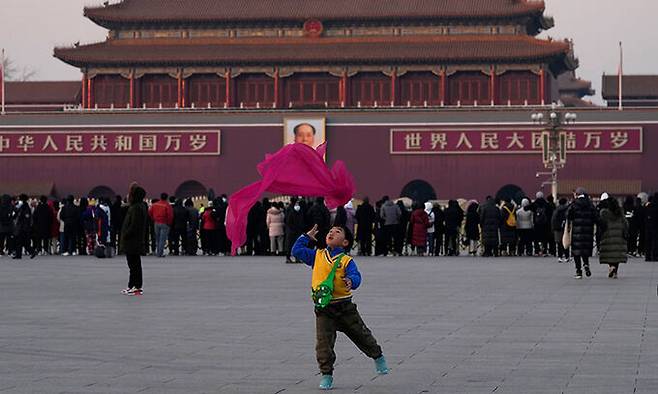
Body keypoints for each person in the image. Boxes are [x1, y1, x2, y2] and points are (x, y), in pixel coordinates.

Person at [292, 224, 388, 390]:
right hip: (324, 309)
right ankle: (326, 374)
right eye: (330, 231)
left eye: (337, 232)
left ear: (345, 242)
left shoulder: (346, 261)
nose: (331, 232)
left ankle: (377, 356)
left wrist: (352, 281)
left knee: (362, 335)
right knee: (323, 344)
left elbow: (356, 276)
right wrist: (306, 237)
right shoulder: (317, 255)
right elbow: (297, 251)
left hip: (345, 308)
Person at [120, 184, 148, 296]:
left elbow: (134, 225)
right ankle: (132, 286)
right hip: (134, 240)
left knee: (134, 265)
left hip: (133, 240)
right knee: (133, 265)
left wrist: (126, 234)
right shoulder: (139, 206)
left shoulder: (136, 207)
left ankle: (136, 287)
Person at [567, 188, 598, 279]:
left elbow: (568, 215)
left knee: (577, 252)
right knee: (585, 250)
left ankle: (578, 271)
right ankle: (586, 264)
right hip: (588, 231)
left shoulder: (574, 204)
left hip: (577, 231)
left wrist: (568, 226)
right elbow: (596, 217)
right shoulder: (590, 204)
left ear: (577, 194)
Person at [598, 197, 628, 278]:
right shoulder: (620, 212)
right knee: (616, 255)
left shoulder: (604, 213)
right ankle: (615, 271)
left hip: (607, 235)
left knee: (609, 254)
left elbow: (600, 224)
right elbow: (625, 224)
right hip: (619, 235)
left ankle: (611, 267)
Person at [148, 193, 173, 257]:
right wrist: (169, 223)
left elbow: (150, 212)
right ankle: (160, 253)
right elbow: (170, 215)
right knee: (162, 239)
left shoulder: (155, 204)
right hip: (164, 223)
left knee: (158, 238)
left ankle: (158, 252)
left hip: (156, 223)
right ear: (167, 198)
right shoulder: (167, 205)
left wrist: (153, 218)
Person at [12, 194, 36, 260]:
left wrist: (25, 227)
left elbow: (26, 217)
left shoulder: (25, 207)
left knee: (20, 242)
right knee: (24, 242)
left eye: (19, 199)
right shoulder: (23, 206)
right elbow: (17, 212)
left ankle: (20, 255)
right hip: (22, 227)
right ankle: (31, 252)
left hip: (23, 228)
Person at [284, 198, 306, 263]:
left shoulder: (290, 209)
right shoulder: (297, 209)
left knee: (290, 244)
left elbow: (286, 220)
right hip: (295, 230)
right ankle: (295, 258)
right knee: (295, 244)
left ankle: (289, 258)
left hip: (291, 230)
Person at [551, 198, 570, 263]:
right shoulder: (567, 209)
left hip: (557, 228)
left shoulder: (556, 209)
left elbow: (553, 219)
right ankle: (567, 256)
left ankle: (560, 256)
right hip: (565, 227)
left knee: (559, 243)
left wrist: (553, 228)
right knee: (566, 242)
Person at [646, 193, 658, 262]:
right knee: (655, 242)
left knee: (648, 241)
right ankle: (655, 256)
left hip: (648, 226)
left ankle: (648, 256)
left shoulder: (649, 206)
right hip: (656, 226)